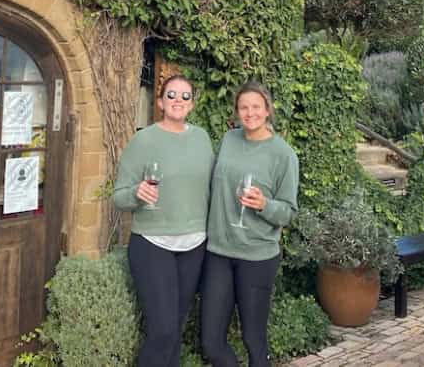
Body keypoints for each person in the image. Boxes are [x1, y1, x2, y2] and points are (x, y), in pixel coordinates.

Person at [113, 74, 214, 367]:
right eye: (171, 95)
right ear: (160, 102)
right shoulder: (143, 140)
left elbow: (211, 188)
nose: (178, 101)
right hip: (152, 244)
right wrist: (137, 192)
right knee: (163, 331)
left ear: (192, 104)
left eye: (185, 96)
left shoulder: (202, 139)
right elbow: (119, 197)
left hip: (194, 244)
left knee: (176, 329)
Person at [201, 81, 299, 367]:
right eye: (243, 107)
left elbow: (288, 212)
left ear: (267, 110)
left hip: (257, 257)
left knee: (254, 341)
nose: (249, 113)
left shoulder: (283, 155)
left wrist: (264, 205)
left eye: (256, 106)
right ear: (236, 112)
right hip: (218, 251)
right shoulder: (229, 140)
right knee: (211, 342)